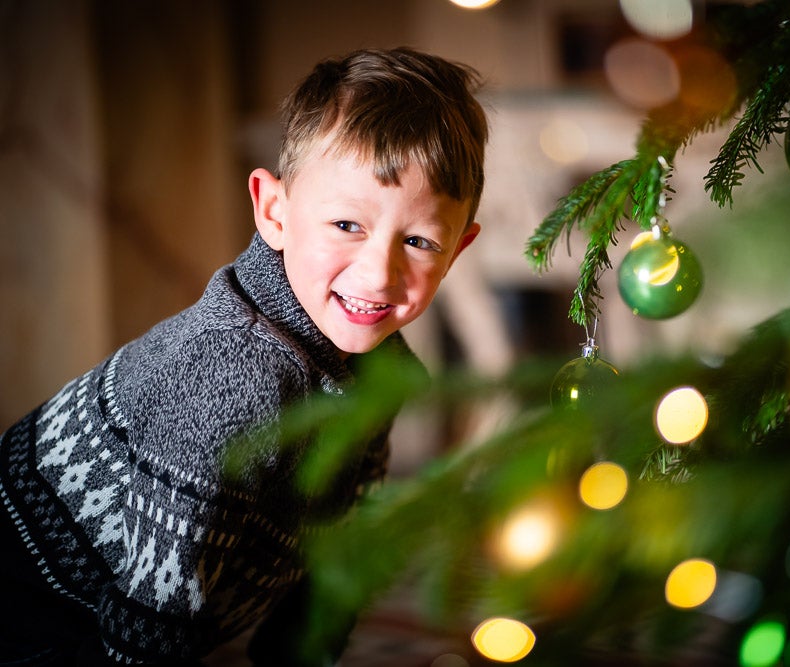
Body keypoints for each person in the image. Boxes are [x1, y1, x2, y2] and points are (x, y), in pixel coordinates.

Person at [0, 47, 487, 665]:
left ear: (459, 249)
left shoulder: (386, 369)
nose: (378, 273)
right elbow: (149, 624)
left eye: (419, 241)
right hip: (42, 619)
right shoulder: (229, 380)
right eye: (346, 225)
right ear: (273, 212)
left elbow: (340, 555)